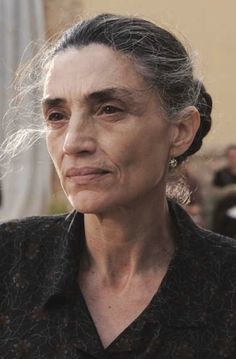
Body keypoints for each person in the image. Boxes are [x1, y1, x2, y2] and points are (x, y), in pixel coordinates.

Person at [1, 13, 236, 358]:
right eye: (57, 116)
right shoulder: (9, 262)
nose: (72, 142)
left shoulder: (226, 285)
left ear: (181, 131)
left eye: (109, 109)